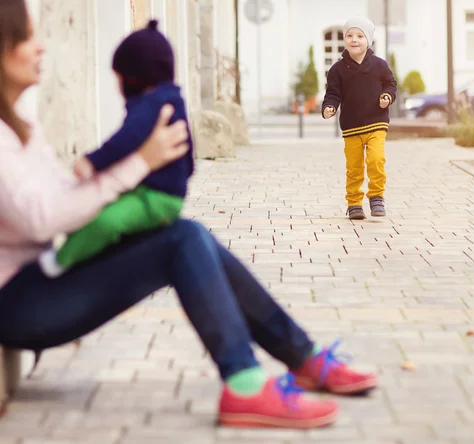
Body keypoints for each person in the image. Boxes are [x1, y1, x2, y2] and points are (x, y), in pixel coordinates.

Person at [0, 0, 377, 429]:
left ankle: (302, 359)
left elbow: (63, 196)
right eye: (28, 37)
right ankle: (248, 385)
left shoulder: (20, 129)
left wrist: (125, 170)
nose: (41, 48)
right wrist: (139, 162)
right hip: (19, 304)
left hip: (46, 280)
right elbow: (43, 217)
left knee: (186, 233)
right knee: (182, 239)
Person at [39, 19, 194, 277]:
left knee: (105, 222)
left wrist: (93, 161)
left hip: (156, 199)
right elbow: (189, 156)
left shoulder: (153, 104)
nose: (117, 86)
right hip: (155, 193)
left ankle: (58, 263)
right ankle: (79, 251)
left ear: (136, 77)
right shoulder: (171, 99)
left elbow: (127, 138)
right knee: (97, 209)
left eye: (119, 77)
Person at [322, 17, 397, 220]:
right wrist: (329, 107)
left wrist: (387, 97)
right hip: (352, 126)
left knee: (376, 160)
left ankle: (376, 196)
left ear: (368, 40)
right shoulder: (337, 70)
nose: (354, 39)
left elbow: (391, 85)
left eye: (360, 36)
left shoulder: (379, 65)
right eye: (349, 35)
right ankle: (354, 202)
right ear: (345, 39)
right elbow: (333, 94)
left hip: (377, 122)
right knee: (354, 168)